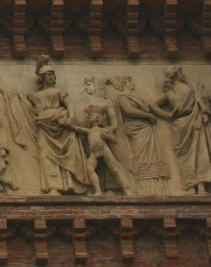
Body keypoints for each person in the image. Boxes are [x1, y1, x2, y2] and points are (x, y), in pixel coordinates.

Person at [28, 57, 92, 195]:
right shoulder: (36, 95)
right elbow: (36, 112)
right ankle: (54, 186)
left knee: (69, 153)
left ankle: (71, 184)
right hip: (45, 126)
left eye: (53, 75)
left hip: (62, 125)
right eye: (49, 75)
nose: (52, 77)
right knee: (47, 156)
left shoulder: (59, 91)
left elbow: (70, 105)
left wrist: (71, 118)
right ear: (43, 77)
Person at [105, 75, 173, 195]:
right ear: (125, 84)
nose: (133, 84)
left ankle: (155, 189)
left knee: (151, 158)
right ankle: (143, 189)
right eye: (131, 82)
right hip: (136, 131)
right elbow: (129, 111)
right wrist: (147, 116)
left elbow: (153, 105)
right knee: (141, 159)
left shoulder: (137, 98)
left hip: (146, 130)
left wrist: (167, 92)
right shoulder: (122, 98)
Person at [156, 66, 211, 194]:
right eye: (181, 71)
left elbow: (152, 105)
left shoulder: (190, 88)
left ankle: (199, 187)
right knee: (191, 156)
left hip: (192, 122)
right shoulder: (181, 90)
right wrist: (167, 115)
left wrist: (167, 115)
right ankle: (192, 186)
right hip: (183, 124)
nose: (183, 74)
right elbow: (152, 105)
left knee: (199, 154)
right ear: (177, 74)